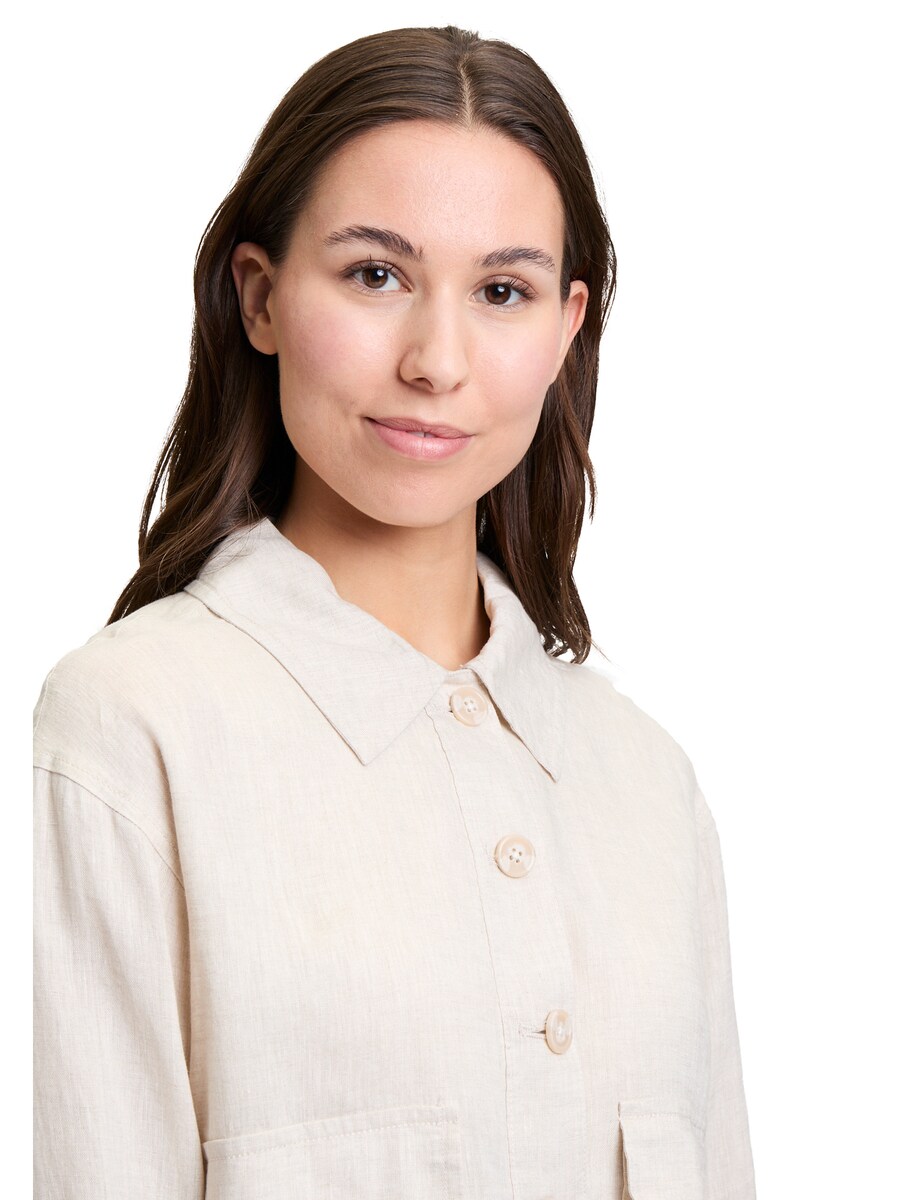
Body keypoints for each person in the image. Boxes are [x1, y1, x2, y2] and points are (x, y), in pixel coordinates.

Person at [33, 24, 756, 1199]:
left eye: (503, 291)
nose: (436, 360)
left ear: (565, 331)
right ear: (260, 298)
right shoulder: (125, 733)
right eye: (376, 275)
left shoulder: (649, 787)